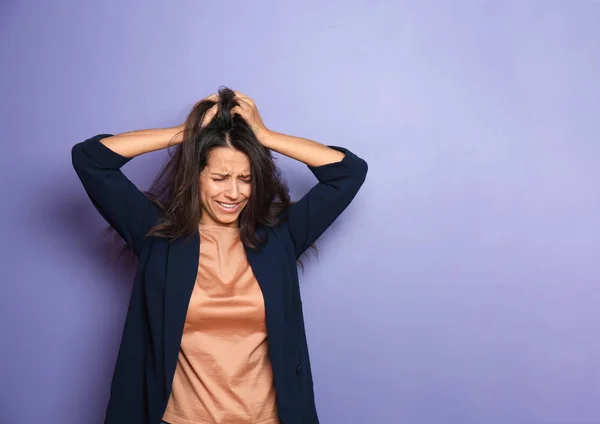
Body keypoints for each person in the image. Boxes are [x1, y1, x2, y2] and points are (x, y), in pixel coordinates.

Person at [71, 87, 368, 424]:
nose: (233, 192)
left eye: (245, 179)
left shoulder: (281, 235)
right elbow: (91, 160)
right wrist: (184, 135)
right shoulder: (156, 234)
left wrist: (264, 136)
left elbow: (349, 172)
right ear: (194, 176)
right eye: (219, 177)